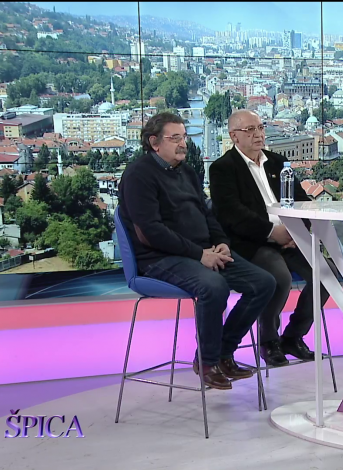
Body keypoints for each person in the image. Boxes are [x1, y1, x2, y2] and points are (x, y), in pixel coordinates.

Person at [118, 112, 276, 391]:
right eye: (175, 138)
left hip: (201, 251)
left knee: (263, 283)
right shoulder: (138, 175)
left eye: (184, 137)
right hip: (159, 258)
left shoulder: (187, 171)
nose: (183, 144)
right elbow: (151, 232)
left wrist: (221, 242)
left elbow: (207, 213)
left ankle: (223, 353)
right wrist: (200, 255)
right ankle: (207, 361)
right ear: (154, 142)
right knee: (213, 287)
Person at [208, 110, 332, 367]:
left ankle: (293, 336)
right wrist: (271, 232)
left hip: (289, 237)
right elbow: (232, 214)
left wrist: (298, 231)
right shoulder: (223, 168)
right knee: (279, 277)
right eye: (250, 130)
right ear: (234, 136)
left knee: (326, 274)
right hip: (252, 242)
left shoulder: (278, 162)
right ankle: (269, 341)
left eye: (260, 128)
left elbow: (301, 201)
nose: (258, 134)